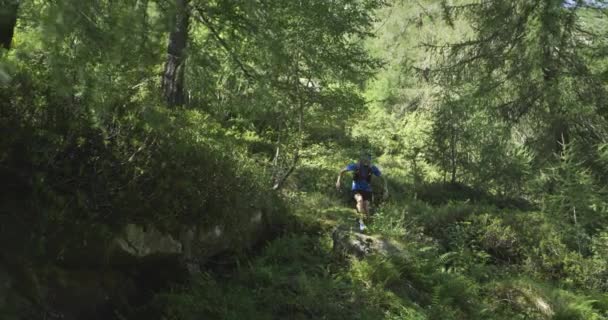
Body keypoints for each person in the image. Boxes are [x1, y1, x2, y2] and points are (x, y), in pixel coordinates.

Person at [335, 152, 388, 231]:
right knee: (360, 200)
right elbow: (342, 171)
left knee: (366, 206)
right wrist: (338, 181)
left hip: (367, 190)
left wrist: (385, 189)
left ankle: (369, 224)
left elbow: (382, 177)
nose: (367, 162)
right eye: (365, 160)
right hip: (356, 189)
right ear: (361, 159)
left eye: (368, 160)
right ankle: (361, 222)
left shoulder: (372, 168)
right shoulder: (356, 166)